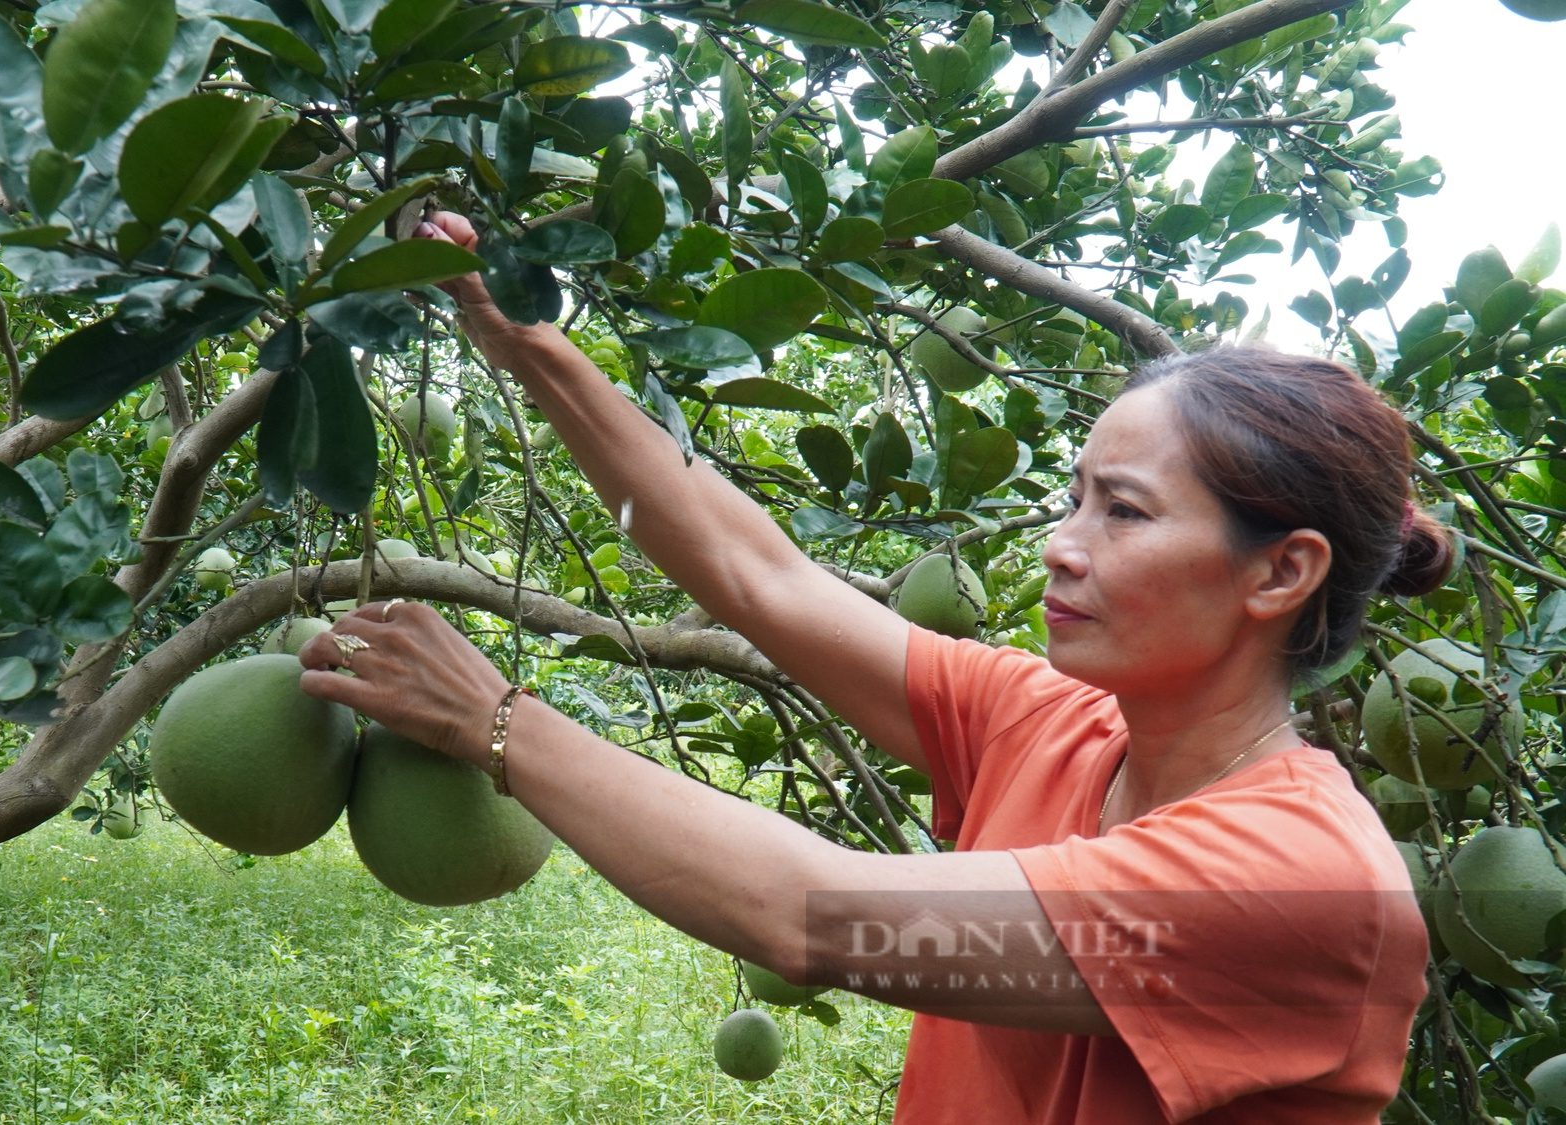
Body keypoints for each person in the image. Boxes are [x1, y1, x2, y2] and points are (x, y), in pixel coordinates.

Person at [295, 211, 1441, 1123]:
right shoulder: (1050, 724)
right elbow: (763, 579)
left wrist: (493, 721)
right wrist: (523, 339)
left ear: (1278, 573)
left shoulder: (1299, 884)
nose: (1060, 540)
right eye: (1074, 495)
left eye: (1124, 512)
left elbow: (820, 920)